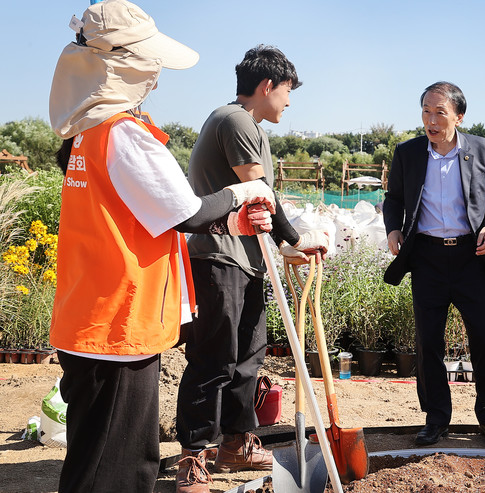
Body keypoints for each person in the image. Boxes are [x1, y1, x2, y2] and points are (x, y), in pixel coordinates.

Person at [47, 1, 278, 492]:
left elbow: (142, 215)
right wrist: (242, 193)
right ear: (126, 65)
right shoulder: (124, 134)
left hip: (88, 315)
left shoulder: (85, 134)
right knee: (121, 467)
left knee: (93, 459)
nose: (154, 78)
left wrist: (229, 223)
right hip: (119, 322)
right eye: (150, 65)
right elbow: (186, 212)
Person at [176, 45, 328, 493]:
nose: (288, 102)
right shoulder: (235, 119)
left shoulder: (251, 126)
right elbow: (257, 189)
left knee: (247, 358)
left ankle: (236, 444)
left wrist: (282, 246)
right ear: (266, 86)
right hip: (218, 256)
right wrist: (295, 239)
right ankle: (193, 456)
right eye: (287, 92)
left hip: (247, 260)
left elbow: (259, 206)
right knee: (214, 359)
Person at [383, 81, 485, 448]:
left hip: (471, 257)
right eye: (426, 111)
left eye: (440, 112)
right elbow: (393, 198)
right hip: (426, 258)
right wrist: (393, 228)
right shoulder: (408, 152)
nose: (431, 120)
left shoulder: (482, 149)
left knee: (484, 339)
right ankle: (436, 419)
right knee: (428, 343)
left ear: (459, 116)